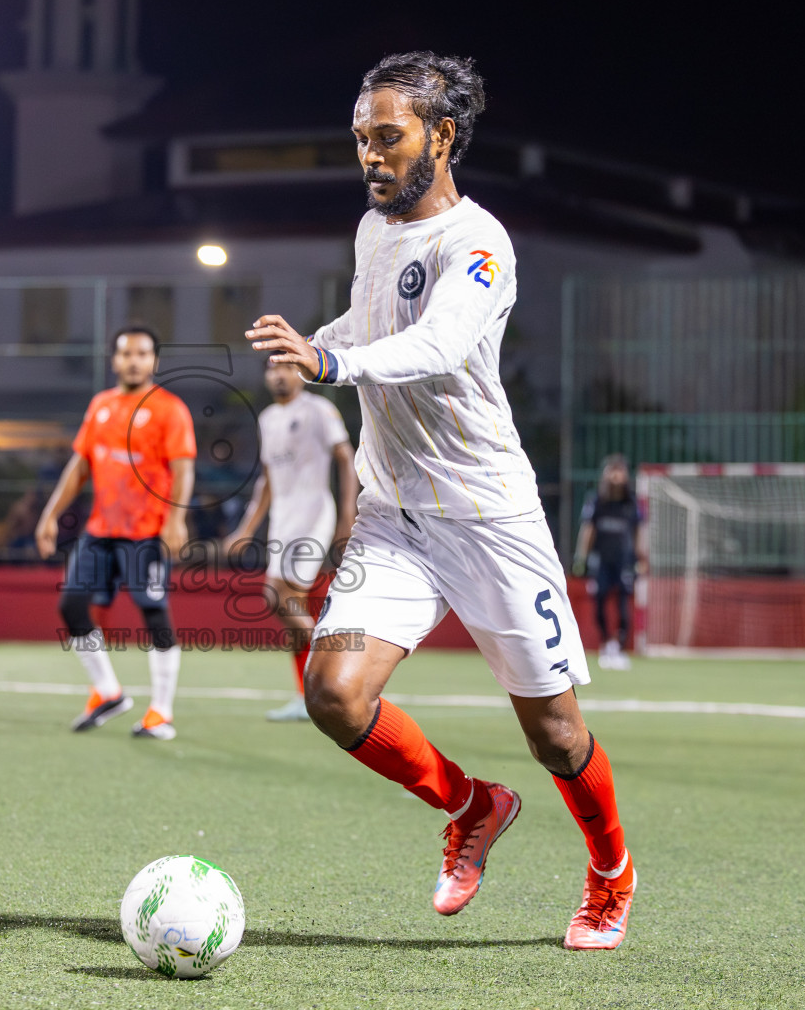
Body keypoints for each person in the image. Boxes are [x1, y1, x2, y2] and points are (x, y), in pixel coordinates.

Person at [246, 52, 634, 950]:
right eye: (360, 141)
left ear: (443, 136)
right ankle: (472, 806)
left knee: (556, 734)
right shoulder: (373, 232)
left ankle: (611, 871)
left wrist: (333, 365)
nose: (371, 157)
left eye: (389, 137)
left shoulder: (480, 243)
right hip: (396, 516)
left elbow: (441, 344)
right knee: (334, 695)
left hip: (490, 519)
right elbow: (373, 326)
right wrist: (320, 342)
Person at [35, 326, 196, 740]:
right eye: (126, 353)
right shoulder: (101, 405)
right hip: (100, 530)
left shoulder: (169, 409)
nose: (133, 360)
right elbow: (79, 466)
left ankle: (161, 713)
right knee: (71, 607)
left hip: (147, 532)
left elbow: (183, 468)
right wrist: (50, 514)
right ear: (115, 360)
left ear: (154, 361)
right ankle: (108, 692)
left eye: (142, 353)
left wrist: (176, 520)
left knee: (154, 614)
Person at [223, 362, 358, 721]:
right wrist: (245, 530)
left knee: (276, 595)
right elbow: (266, 480)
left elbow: (347, 460)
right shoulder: (267, 418)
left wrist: (347, 516)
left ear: (300, 373)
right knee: (289, 608)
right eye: (271, 368)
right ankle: (307, 697)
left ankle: (338, 672)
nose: (278, 374)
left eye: (286, 366)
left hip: (313, 513)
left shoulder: (318, 410)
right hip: (283, 520)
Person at [573, 455, 645, 670]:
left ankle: (620, 648)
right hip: (601, 560)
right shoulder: (596, 501)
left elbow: (639, 531)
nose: (616, 476)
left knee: (623, 603)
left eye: (619, 471)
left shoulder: (632, 503)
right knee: (600, 600)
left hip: (624, 561)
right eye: (612, 471)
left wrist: (641, 558)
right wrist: (581, 557)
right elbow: (588, 530)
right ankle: (606, 644)